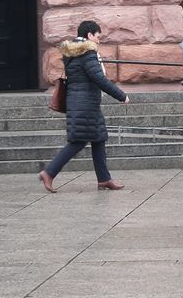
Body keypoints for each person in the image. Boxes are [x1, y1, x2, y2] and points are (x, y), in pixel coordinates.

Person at [39, 20, 130, 194]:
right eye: (98, 37)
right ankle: (49, 173)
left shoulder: (72, 52)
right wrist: (121, 96)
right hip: (84, 104)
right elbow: (99, 79)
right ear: (89, 35)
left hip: (82, 103)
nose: (99, 40)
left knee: (99, 137)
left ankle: (104, 179)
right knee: (78, 141)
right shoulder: (87, 52)